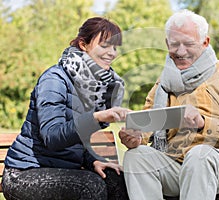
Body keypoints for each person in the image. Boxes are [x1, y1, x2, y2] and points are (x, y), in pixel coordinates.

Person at [119, 9, 219, 200]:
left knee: (199, 155)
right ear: (167, 44)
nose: (181, 51)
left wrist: (203, 122)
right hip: (178, 163)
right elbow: (149, 124)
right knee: (137, 157)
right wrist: (136, 137)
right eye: (175, 44)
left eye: (189, 44)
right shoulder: (164, 83)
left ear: (205, 42)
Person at [1, 17, 130, 200]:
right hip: (24, 173)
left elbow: (78, 141)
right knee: (90, 187)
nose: (112, 53)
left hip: (64, 170)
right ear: (83, 45)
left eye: (115, 47)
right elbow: (53, 136)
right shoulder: (54, 79)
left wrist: (94, 161)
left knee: (117, 180)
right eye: (105, 46)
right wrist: (97, 117)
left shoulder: (93, 87)